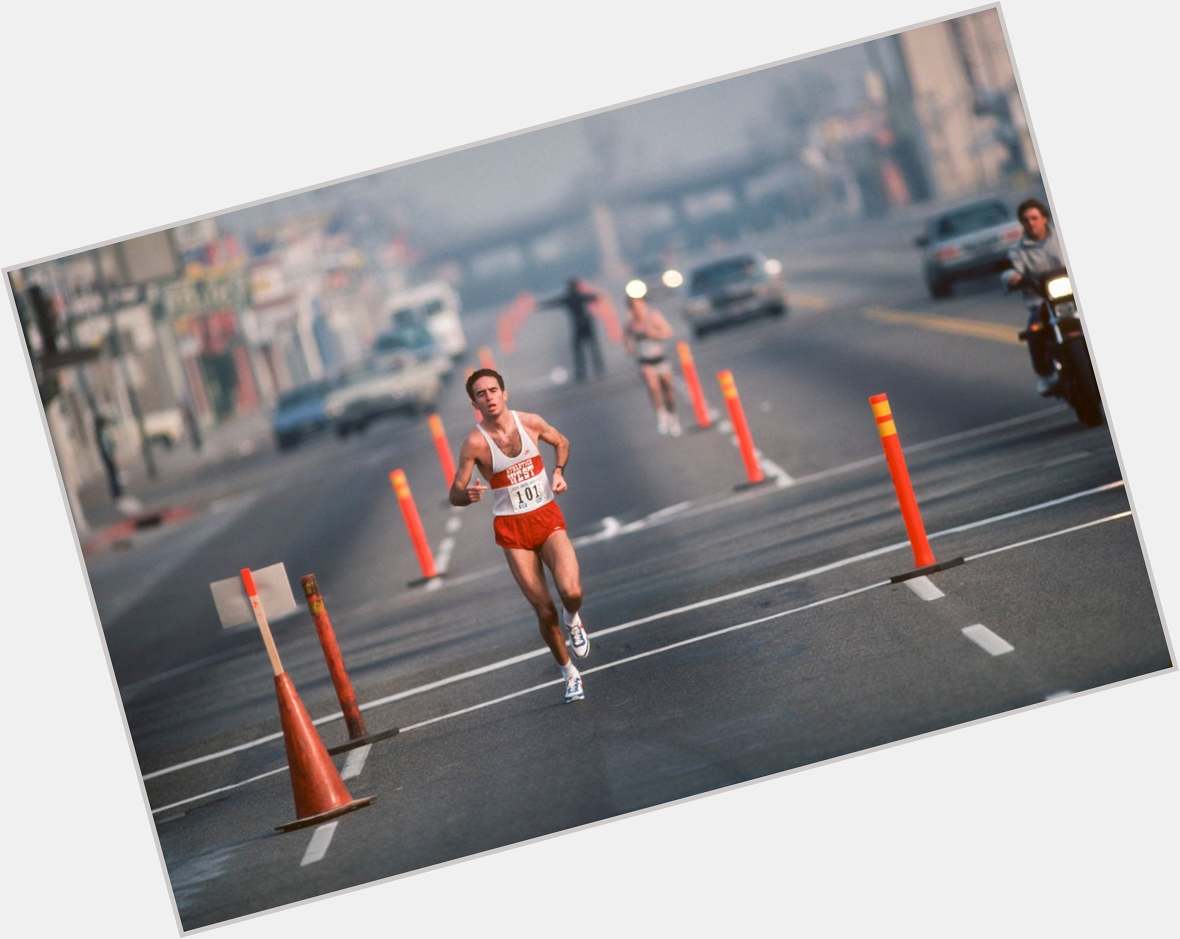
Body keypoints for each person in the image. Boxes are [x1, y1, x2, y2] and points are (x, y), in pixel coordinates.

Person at [450, 368, 591, 703]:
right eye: (481, 394)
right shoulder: (474, 443)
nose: (489, 397)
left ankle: (573, 620)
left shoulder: (530, 422)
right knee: (544, 610)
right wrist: (465, 495)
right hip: (513, 530)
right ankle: (568, 672)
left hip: (546, 516)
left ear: (505, 393)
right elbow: (455, 490)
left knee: (571, 592)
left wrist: (558, 472)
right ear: (475, 403)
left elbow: (562, 442)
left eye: (494, 390)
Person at [1001, 198, 1066, 395]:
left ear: (1044, 218)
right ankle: (1046, 375)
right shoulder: (1017, 250)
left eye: (1034, 218)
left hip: (1072, 296)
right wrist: (1012, 277)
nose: (1031, 223)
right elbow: (1011, 270)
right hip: (1041, 302)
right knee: (1034, 330)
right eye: (1026, 220)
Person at [624, 295, 681, 436]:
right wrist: (631, 346)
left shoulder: (654, 317)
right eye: (634, 308)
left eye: (639, 306)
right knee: (653, 387)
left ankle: (673, 416)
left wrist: (653, 334)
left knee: (668, 389)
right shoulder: (630, 325)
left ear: (644, 305)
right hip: (645, 361)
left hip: (660, 359)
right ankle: (661, 416)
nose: (637, 311)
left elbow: (668, 332)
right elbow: (628, 344)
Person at [540, 277, 605, 383]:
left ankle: (583, 372)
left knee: (582, 350)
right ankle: (595, 368)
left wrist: (540, 305)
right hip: (586, 324)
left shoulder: (570, 298)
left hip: (580, 326)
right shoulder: (578, 296)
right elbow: (594, 297)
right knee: (590, 349)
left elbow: (554, 302)